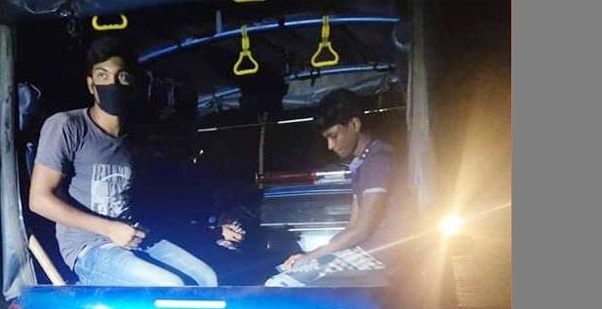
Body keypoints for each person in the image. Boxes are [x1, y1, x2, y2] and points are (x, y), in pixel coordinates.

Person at [29, 36, 236, 287]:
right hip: (90, 247)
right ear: (91, 84)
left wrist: (212, 229)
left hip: (135, 237)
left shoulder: (134, 138)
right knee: (170, 284)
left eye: (122, 77)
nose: (112, 83)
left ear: (133, 84)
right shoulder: (68, 126)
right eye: (103, 75)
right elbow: (39, 200)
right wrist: (109, 229)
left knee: (206, 278)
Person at [264, 88, 416, 287]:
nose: (330, 145)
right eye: (326, 138)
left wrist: (310, 257)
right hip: (366, 251)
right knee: (290, 272)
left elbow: (362, 230)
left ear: (354, 124)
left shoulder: (378, 160)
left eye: (334, 136)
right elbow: (353, 226)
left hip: (382, 255)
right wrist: (311, 255)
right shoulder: (361, 163)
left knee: (280, 284)